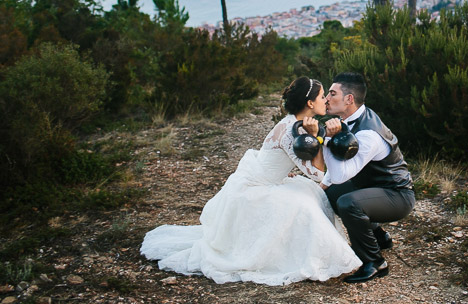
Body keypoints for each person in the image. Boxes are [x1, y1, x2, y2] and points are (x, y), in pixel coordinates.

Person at [140, 77, 361, 285]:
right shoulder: (292, 131)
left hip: (267, 178)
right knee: (305, 206)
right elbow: (318, 175)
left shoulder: (294, 122)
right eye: (322, 96)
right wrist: (316, 138)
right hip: (256, 188)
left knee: (309, 195)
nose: (326, 100)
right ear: (310, 102)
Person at [321, 71, 416, 283]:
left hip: (397, 196)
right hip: (374, 189)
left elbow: (342, 174)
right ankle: (379, 236)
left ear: (349, 99)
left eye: (332, 93)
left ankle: (374, 262)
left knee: (348, 203)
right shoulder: (351, 117)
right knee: (332, 194)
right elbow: (335, 177)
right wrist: (322, 186)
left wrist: (327, 141)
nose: (326, 99)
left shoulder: (368, 134)